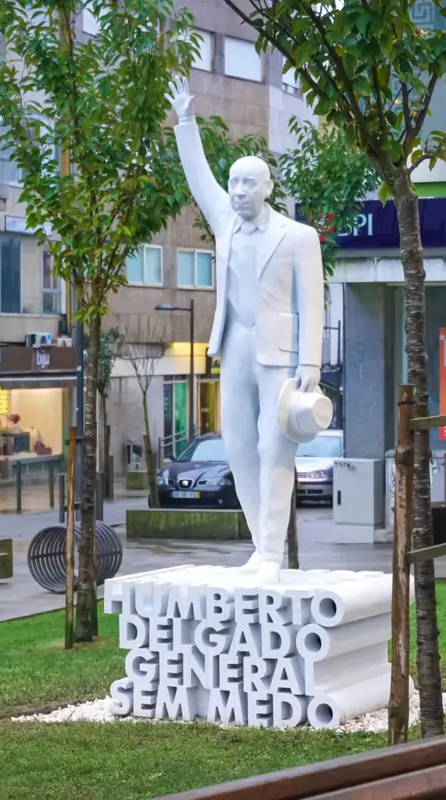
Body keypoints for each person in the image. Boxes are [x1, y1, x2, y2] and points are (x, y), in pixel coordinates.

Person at [167, 76, 325, 583]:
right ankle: (263, 546)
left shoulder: (299, 237)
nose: (236, 192)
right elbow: (198, 179)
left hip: (280, 355)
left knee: (272, 448)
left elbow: (313, 303)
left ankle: (273, 553)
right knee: (237, 447)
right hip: (233, 345)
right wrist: (185, 123)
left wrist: (311, 363)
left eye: (246, 183)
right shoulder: (225, 222)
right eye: (233, 183)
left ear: (267, 188)